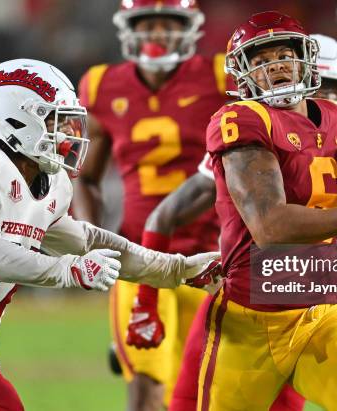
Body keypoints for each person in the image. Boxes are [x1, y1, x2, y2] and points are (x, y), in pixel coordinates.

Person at [0, 58, 220, 411]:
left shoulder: (52, 185)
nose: (69, 135)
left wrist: (176, 268)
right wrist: (69, 270)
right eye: (54, 121)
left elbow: (89, 240)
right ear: (14, 118)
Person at [198, 11, 337, 410]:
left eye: (284, 53)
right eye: (261, 59)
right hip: (249, 319)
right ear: (243, 73)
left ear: (305, 59)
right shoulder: (241, 120)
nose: (277, 65)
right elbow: (270, 225)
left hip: (316, 313)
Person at [139, 33, 337, 411]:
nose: (319, 97)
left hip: (306, 314)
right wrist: (144, 303)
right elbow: (168, 215)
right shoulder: (251, 135)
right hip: (243, 309)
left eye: (332, 88)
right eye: (320, 86)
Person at [73, 0, 230, 408]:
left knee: (205, 394)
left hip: (213, 258)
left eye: (168, 23)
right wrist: (95, 239)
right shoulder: (102, 85)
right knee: (144, 388)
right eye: (147, 23)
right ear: (128, 28)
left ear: (190, 26)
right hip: (139, 259)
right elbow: (84, 177)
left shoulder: (220, 76)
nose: (157, 34)